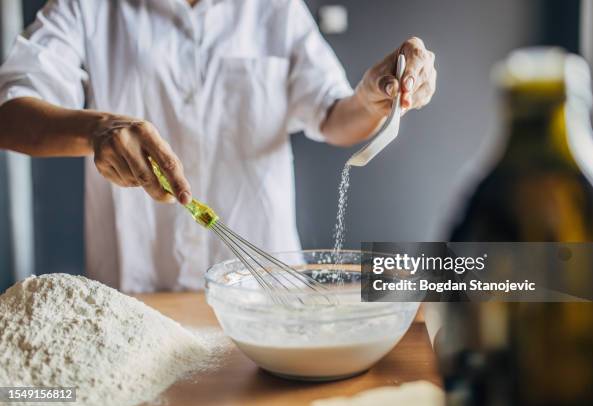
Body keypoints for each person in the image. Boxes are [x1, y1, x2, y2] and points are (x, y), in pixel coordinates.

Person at [0, 0, 436, 292]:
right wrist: (99, 130)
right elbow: (10, 114)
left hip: (265, 292)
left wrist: (370, 98)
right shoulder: (88, 8)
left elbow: (333, 117)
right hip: (140, 297)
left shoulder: (275, 9)